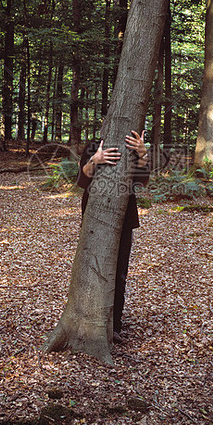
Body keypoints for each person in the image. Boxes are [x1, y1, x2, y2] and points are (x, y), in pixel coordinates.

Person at [77, 130, 150, 343]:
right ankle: (85, 318)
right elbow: (82, 180)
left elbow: (142, 182)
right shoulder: (93, 145)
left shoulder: (133, 149)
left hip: (124, 218)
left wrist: (142, 153)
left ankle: (114, 325)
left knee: (119, 274)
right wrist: (94, 159)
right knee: (89, 268)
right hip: (94, 218)